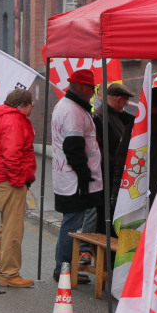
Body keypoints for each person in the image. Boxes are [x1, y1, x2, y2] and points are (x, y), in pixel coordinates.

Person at [51, 68, 103, 282]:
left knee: (71, 223)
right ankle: (64, 269)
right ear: (82, 87)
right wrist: (84, 174)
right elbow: (73, 146)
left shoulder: (66, 106)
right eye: (92, 88)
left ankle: (64, 267)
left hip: (69, 177)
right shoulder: (73, 110)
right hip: (75, 180)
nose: (93, 92)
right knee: (72, 225)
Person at [0, 86, 37, 288]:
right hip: (9, 180)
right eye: (31, 105)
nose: (32, 108)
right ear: (24, 105)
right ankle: (9, 273)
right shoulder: (15, 120)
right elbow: (12, 154)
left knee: (6, 225)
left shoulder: (2, 117)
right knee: (13, 229)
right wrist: (18, 180)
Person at [94, 81, 135, 220]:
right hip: (108, 178)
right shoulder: (101, 117)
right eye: (126, 100)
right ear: (118, 99)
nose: (127, 103)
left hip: (116, 176)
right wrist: (119, 165)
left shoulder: (117, 117)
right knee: (105, 220)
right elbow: (100, 152)